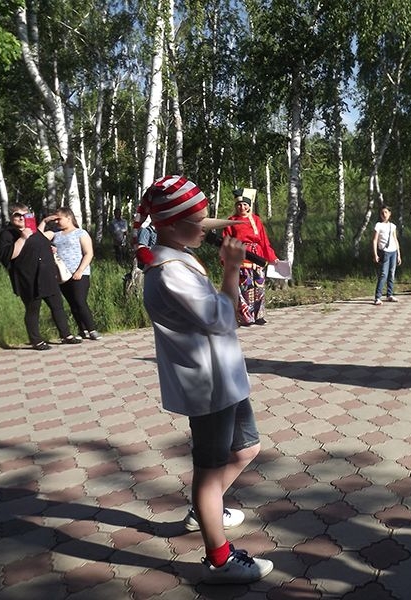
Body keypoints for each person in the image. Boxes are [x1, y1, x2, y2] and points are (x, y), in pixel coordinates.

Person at [137, 175, 274, 584]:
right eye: (198, 221)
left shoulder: (179, 258)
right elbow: (222, 317)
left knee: (247, 448)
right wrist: (231, 269)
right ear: (171, 225)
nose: (207, 227)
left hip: (224, 377)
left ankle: (205, 508)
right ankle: (219, 558)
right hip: (208, 384)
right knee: (209, 471)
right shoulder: (168, 272)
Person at [0, 203, 82, 350]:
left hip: (47, 276)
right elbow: (7, 256)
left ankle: (66, 335)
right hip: (28, 279)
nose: (21, 218)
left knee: (57, 306)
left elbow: (41, 244)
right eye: (17, 215)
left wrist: (50, 249)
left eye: (25, 215)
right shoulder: (7, 234)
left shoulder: (33, 229)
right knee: (33, 310)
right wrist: (23, 238)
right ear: (11, 217)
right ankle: (36, 341)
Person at [40, 207, 101, 340]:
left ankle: (92, 329)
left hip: (80, 273)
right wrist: (44, 221)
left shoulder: (80, 233)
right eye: (55, 220)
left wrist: (79, 271)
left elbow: (88, 253)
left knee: (80, 301)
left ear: (69, 218)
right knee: (72, 303)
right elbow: (37, 238)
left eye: (59, 219)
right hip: (62, 274)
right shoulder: (55, 233)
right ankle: (82, 329)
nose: (56, 222)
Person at [222, 189, 279, 326]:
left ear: (249, 206)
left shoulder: (256, 220)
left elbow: (264, 241)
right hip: (242, 258)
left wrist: (272, 257)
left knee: (259, 288)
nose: (242, 207)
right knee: (244, 288)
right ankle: (246, 317)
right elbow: (226, 241)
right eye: (239, 205)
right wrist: (226, 260)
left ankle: (259, 315)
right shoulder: (231, 221)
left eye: (245, 204)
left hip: (257, 258)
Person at [372, 205, 401, 304]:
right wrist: (375, 254)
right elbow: (375, 240)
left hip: (393, 251)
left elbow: (395, 239)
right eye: (382, 213)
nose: (384, 214)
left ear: (389, 214)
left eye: (386, 212)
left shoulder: (392, 226)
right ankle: (378, 297)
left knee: (392, 273)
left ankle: (390, 294)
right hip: (384, 252)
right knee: (383, 274)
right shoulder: (378, 225)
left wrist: (398, 254)